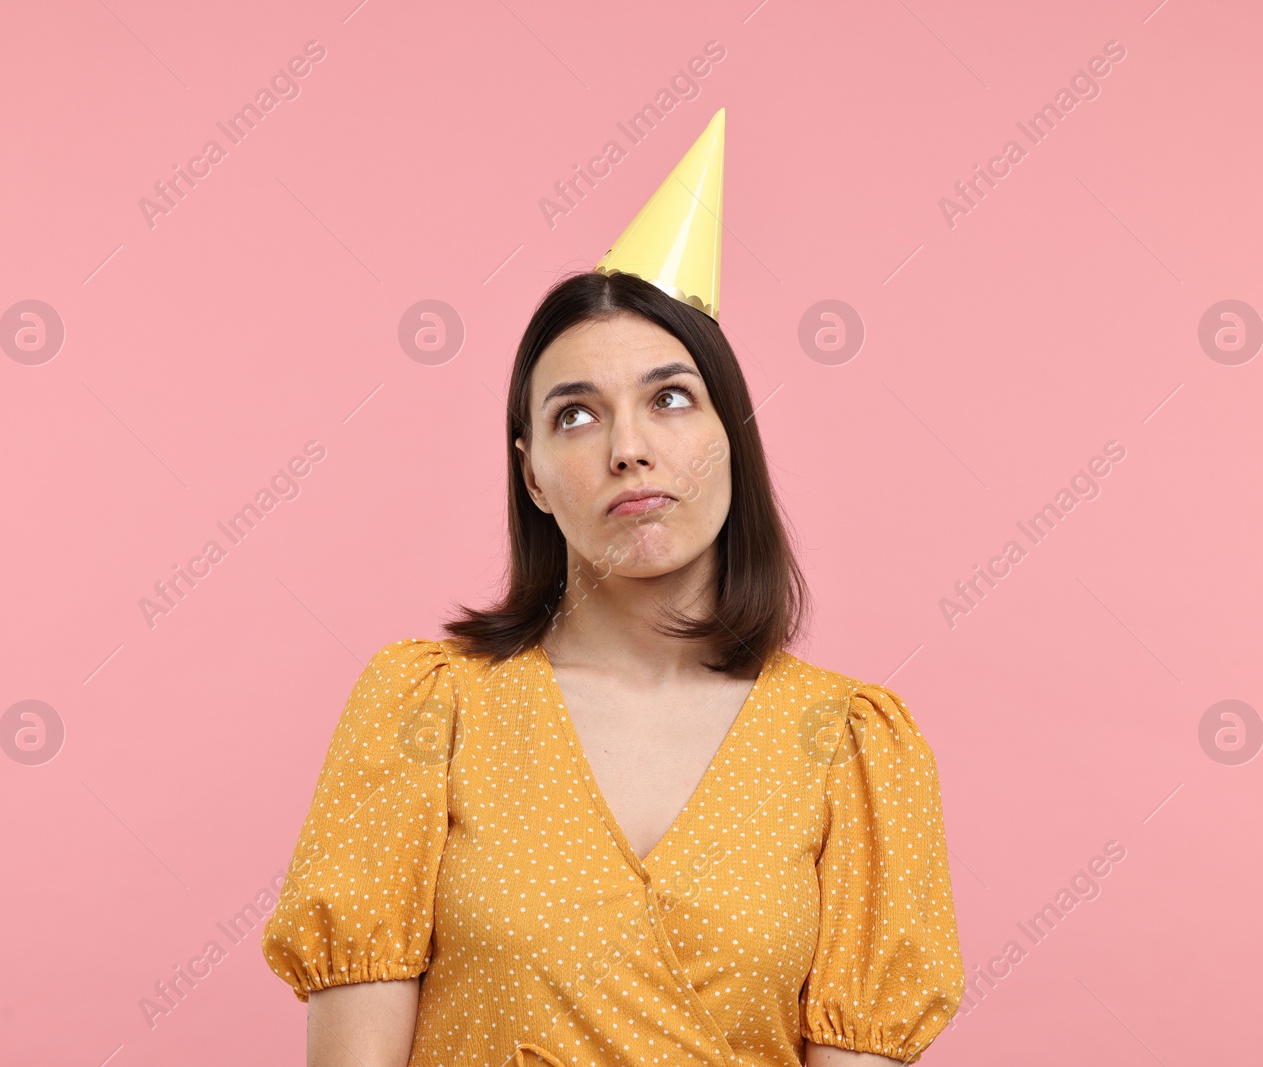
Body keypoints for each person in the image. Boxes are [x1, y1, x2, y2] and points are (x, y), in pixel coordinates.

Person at [261, 109, 965, 1067]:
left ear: (732, 436)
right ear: (534, 474)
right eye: (577, 414)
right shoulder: (427, 708)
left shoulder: (851, 747)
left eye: (669, 398)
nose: (628, 446)